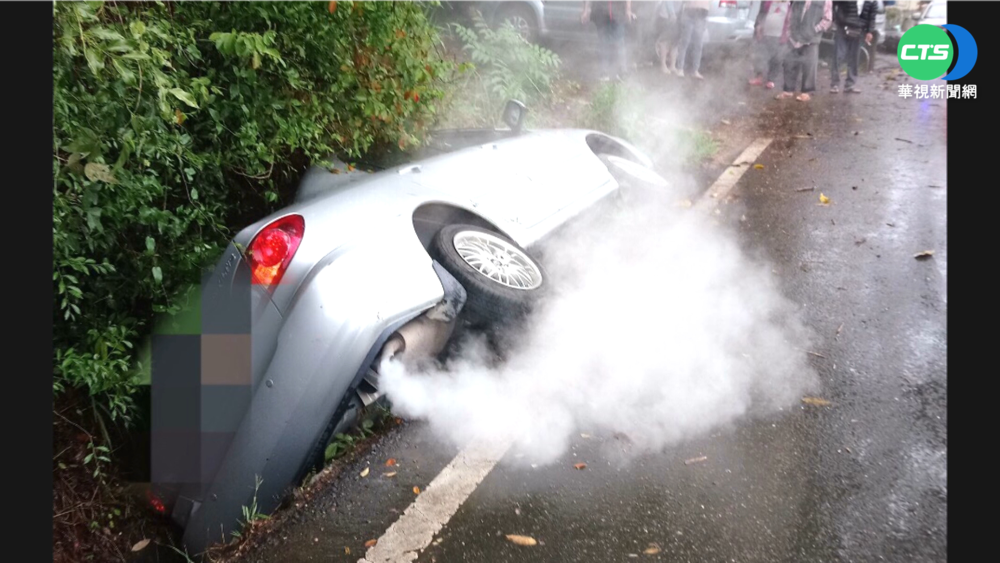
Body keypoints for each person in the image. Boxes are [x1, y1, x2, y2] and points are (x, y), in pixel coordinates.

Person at [776, 0, 832, 102]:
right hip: (794, 37)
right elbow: (790, 15)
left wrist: (814, 30)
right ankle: (788, 90)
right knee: (789, 62)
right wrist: (789, 32)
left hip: (811, 38)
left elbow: (827, 19)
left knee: (809, 65)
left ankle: (806, 92)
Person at [829, 1, 878, 93]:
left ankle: (850, 84)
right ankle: (835, 84)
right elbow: (832, 3)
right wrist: (835, 19)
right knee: (838, 55)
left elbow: (872, 16)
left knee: (854, 58)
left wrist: (869, 31)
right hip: (843, 27)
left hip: (859, 29)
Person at [581, 1, 635, 81]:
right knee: (603, 43)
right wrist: (586, 10)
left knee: (619, 42)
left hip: (618, 13)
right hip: (601, 13)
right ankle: (604, 71)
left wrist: (628, 10)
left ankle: (622, 71)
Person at [749, 0, 791, 89]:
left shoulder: (789, 4)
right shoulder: (767, 2)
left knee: (777, 58)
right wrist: (758, 27)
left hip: (780, 35)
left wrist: (788, 33)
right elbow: (761, 15)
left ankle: (771, 80)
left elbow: (791, 20)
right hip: (765, 33)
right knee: (760, 55)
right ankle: (759, 77)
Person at [675, 0, 710, 79]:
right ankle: (680, 68)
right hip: (689, 13)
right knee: (685, 42)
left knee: (698, 45)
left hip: (701, 14)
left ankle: (695, 70)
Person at [655, 1, 682, 75]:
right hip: (665, 16)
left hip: (676, 16)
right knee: (665, 41)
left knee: (675, 41)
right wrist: (672, 13)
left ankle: (672, 66)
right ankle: (663, 65)